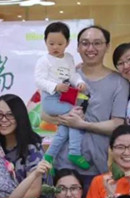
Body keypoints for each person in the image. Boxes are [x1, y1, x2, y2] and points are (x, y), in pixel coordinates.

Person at [41, 25, 129, 190]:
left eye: (97, 43)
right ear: (77, 47)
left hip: (97, 165)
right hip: (63, 166)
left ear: (107, 46)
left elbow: (117, 124)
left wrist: (82, 125)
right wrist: (65, 118)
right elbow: (45, 114)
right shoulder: (66, 76)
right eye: (85, 43)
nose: (90, 48)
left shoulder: (119, 82)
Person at [35, 21, 89, 170]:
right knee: (75, 115)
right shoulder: (44, 60)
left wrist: (79, 82)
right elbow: (39, 80)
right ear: (45, 42)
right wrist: (55, 86)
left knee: (64, 129)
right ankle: (75, 152)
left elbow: (72, 75)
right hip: (51, 99)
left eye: (60, 44)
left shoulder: (69, 58)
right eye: (51, 43)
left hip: (65, 98)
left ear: (67, 43)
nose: (55, 47)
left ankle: (49, 156)